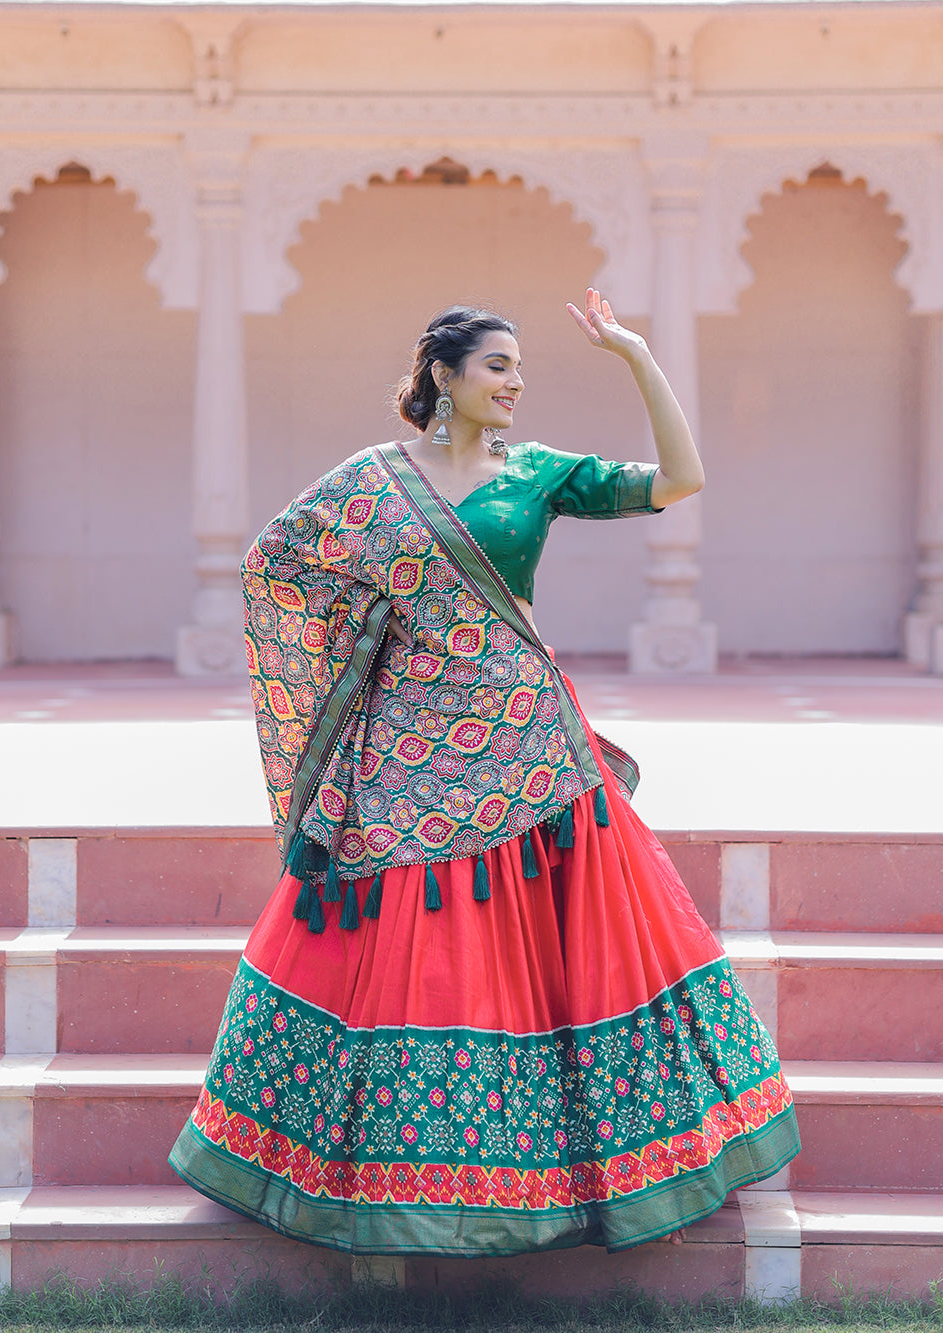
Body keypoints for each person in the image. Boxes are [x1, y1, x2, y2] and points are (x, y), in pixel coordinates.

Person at [170, 290, 799, 1257]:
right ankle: (382, 1169)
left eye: (519, 367)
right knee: (387, 931)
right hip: (407, 742)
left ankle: (577, 1172)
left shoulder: (539, 472)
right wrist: (359, 638)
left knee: (569, 949)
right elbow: (276, 564)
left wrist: (634, 355)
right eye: (497, 365)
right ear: (444, 377)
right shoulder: (372, 482)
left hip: (528, 743)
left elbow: (682, 477)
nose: (514, 382)